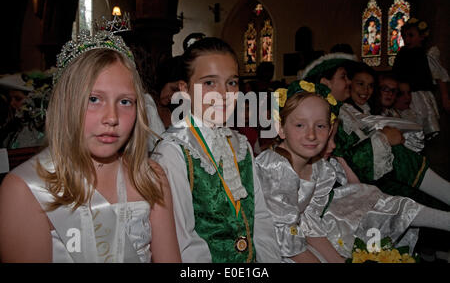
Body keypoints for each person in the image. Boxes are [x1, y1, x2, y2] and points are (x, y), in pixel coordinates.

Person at [0, 31, 181, 263]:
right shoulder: (26, 189)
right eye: (94, 99)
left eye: (125, 101)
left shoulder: (150, 177)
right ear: (65, 104)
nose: (112, 117)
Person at [256, 80, 450, 262]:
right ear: (281, 129)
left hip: (295, 240)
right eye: (300, 125)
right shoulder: (276, 169)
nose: (312, 134)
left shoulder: (320, 168)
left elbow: (310, 226)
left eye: (321, 126)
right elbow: (286, 241)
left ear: (331, 129)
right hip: (270, 245)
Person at [153, 37, 281, 263]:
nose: (223, 94)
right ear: (185, 89)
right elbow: (183, 242)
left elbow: (260, 218)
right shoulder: (174, 152)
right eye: (210, 83)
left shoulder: (241, 145)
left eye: (231, 83)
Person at [301, 54, 450, 209]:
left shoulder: (345, 111)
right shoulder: (323, 115)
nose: (349, 82)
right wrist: (384, 138)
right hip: (342, 185)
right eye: (343, 77)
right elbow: (348, 159)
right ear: (325, 83)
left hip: (369, 176)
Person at [392, 17, 450, 138]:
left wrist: (445, 97)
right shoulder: (401, 54)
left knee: (423, 126)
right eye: (404, 36)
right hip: (403, 95)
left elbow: (439, 75)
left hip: (421, 96)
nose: (407, 39)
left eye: (411, 35)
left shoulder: (427, 54)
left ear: (422, 36)